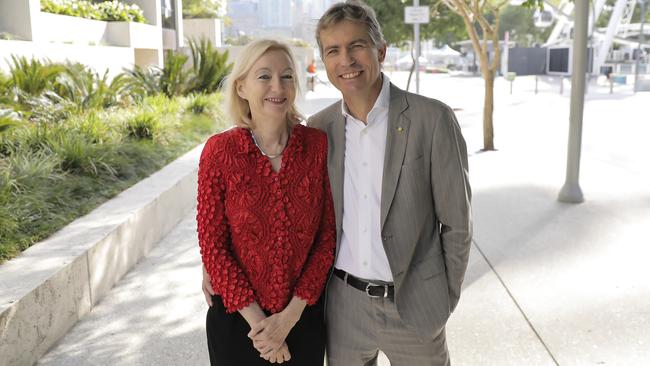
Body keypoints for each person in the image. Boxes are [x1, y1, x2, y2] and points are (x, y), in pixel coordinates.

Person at [307, 1, 472, 365]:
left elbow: (457, 224)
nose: (346, 60)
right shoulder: (318, 129)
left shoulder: (432, 119)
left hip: (414, 306)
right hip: (344, 306)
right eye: (333, 50)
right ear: (323, 62)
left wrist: (444, 299)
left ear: (380, 50)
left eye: (357, 45)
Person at [197, 39, 336, 365]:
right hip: (237, 323)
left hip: (302, 320)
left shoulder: (316, 146)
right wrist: (265, 331)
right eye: (264, 76)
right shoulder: (219, 151)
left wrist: (287, 320)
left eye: (287, 76)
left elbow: (326, 238)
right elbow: (213, 246)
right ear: (241, 87)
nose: (278, 86)